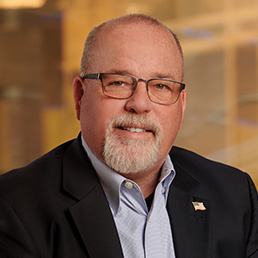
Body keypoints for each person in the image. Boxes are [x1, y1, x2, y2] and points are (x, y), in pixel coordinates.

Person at [0, 13, 258, 258]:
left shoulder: (234, 194)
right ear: (80, 96)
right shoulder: (14, 207)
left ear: (181, 105)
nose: (140, 104)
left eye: (161, 86)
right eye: (118, 82)